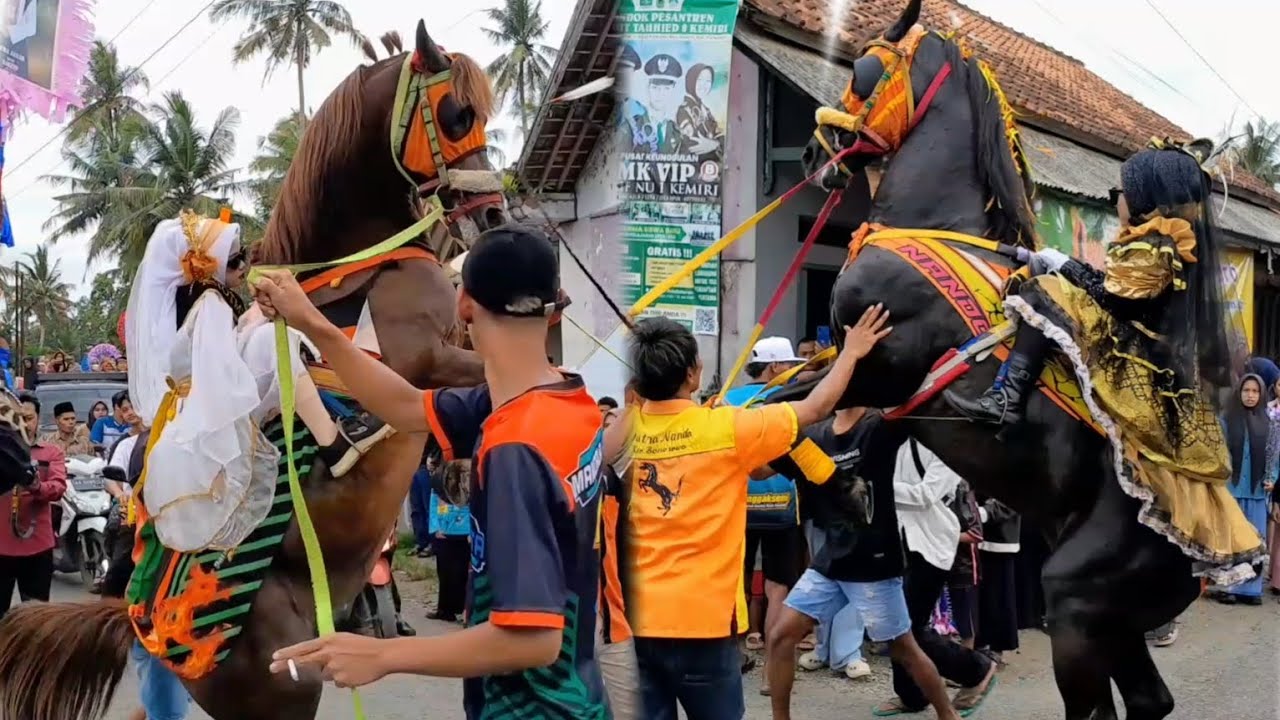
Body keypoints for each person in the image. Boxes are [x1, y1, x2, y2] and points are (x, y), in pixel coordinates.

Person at [260, 225, 612, 719]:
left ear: (463, 304)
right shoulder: (564, 397)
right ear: (553, 308)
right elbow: (405, 406)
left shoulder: (515, 447)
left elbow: (533, 639)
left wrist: (382, 655)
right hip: (580, 698)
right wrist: (311, 322)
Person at [944, 139, 1264, 578]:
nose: (1117, 200)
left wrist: (1063, 267)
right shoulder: (1156, 242)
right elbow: (1114, 287)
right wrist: (1062, 263)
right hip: (1142, 349)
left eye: (1122, 192)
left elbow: (1113, 298)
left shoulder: (1157, 245)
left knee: (1044, 293)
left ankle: (1007, 397)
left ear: (1145, 201)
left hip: (1135, 357)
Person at [624, 305, 891, 720]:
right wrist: (852, 352)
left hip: (635, 623)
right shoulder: (727, 427)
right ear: (693, 374)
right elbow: (815, 407)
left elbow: (764, 462)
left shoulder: (622, 434)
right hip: (704, 626)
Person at [125, 209, 388, 553]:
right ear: (210, 265)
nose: (243, 267)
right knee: (273, 341)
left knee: (267, 337)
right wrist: (260, 329)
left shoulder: (190, 300)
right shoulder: (211, 301)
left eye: (244, 257)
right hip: (211, 408)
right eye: (235, 261)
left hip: (198, 403)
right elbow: (218, 367)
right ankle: (332, 442)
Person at [765, 407, 960, 720]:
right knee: (780, 636)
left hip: (874, 563)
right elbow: (759, 470)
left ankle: (948, 715)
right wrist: (739, 428)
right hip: (832, 559)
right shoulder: (816, 434)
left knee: (904, 649)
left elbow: (914, 407)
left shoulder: (879, 426)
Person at [879, 441, 996, 716]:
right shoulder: (895, 440)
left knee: (909, 628)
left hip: (932, 548)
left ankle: (976, 669)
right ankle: (912, 695)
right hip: (898, 543)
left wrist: (877, 487)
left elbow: (926, 495)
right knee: (895, 624)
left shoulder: (946, 445)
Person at [723, 337, 807, 690]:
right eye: (788, 365)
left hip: (737, 506)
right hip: (782, 507)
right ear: (774, 367)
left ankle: (730, 658)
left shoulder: (728, 401)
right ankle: (773, 670)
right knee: (778, 586)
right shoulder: (789, 399)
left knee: (734, 584)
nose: (792, 372)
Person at [98, 427, 193, 720]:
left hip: (175, 620)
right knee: (167, 710)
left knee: (167, 703)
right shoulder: (161, 520)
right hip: (157, 620)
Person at [0, 393, 66, 618]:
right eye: (18, 419)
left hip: (38, 546)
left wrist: (36, 485)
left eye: (28, 418)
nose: (24, 424)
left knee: (37, 617)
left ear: (38, 418)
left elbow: (58, 487)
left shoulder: (51, 452)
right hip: (1, 546)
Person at [1217, 373, 1272, 606]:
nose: (1250, 395)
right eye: (1246, 390)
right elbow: (1219, 453)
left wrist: (1272, 478)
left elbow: (1274, 455)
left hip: (1257, 491)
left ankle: (1250, 589)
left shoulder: (1269, 423)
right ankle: (1227, 587)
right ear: (1239, 392)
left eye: (1255, 391)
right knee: (1230, 540)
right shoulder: (1226, 420)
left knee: (1253, 541)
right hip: (1232, 489)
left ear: (1261, 395)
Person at [976, 497, 1020, 664]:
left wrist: (984, 512)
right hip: (974, 533)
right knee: (979, 596)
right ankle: (980, 642)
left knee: (1000, 596)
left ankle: (997, 646)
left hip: (1000, 538)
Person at [946, 480, 982, 650]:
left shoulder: (962, 490)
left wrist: (943, 537)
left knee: (966, 621)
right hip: (934, 563)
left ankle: (968, 659)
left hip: (962, 565)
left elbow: (975, 533)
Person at [675, 63, 723, 159]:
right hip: (691, 164)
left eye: (708, 81)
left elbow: (718, 134)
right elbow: (694, 144)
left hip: (708, 163)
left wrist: (716, 144)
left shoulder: (705, 110)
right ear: (691, 80)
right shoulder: (684, 110)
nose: (704, 85)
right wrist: (715, 144)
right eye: (699, 80)